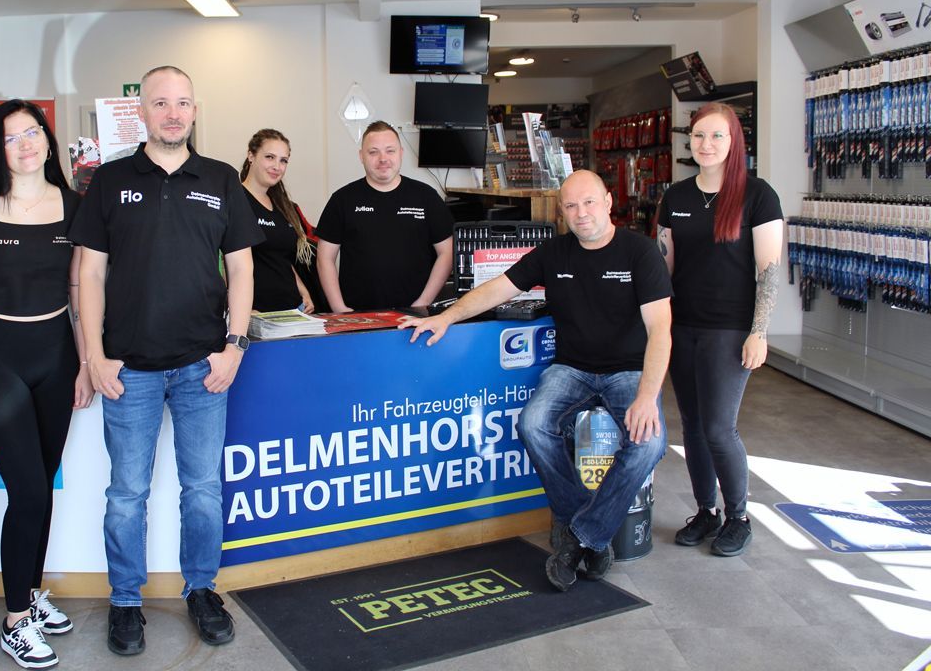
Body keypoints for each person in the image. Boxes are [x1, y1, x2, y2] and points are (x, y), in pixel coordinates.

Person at [68, 66, 262, 655]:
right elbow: (89, 273)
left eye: (182, 103)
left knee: (202, 489)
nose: (173, 113)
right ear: (142, 112)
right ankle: (126, 600)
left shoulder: (222, 179)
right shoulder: (110, 180)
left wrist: (234, 347)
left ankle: (201, 590)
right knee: (126, 493)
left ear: (195, 111)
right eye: (160, 103)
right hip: (128, 369)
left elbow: (242, 269)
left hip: (204, 367)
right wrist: (95, 356)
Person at [401, 170, 671, 592]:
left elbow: (661, 331)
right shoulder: (554, 252)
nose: (581, 213)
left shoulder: (640, 252)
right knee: (532, 424)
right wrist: (446, 317)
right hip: (572, 368)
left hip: (628, 370)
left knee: (650, 443)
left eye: (589, 202)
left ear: (607, 202)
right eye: (571, 206)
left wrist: (647, 396)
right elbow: (497, 289)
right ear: (561, 212)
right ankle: (587, 527)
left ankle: (579, 538)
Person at [0, 100, 92, 668]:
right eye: (10, 137)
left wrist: (84, 361)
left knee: (42, 487)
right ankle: (14, 621)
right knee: (27, 491)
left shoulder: (73, 205)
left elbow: (78, 290)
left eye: (32, 132)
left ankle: (29, 595)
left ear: (48, 139)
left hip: (55, 354)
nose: (25, 144)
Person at [657, 103, 784, 557]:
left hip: (729, 330)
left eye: (717, 136)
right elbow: (664, 269)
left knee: (718, 427)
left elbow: (769, 271)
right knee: (691, 426)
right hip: (683, 327)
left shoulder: (758, 195)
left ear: (734, 142)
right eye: (698, 136)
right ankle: (706, 511)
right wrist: (656, 327)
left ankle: (738, 517)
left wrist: (759, 332)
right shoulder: (675, 197)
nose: (706, 145)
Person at [316, 121, 453, 312]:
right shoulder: (342, 199)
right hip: (357, 315)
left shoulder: (426, 197)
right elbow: (324, 258)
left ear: (401, 153)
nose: (383, 159)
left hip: (414, 315)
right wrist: (339, 308)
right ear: (361, 156)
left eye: (390, 151)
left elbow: (447, 253)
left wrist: (423, 303)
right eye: (373, 152)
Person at [240, 128, 315, 312]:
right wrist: (239, 308)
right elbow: (223, 261)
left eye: (283, 160)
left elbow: (280, 258)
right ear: (251, 156)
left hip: (293, 308)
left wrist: (304, 292)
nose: (277, 166)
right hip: (256, 312)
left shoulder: (283, 206)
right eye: (270, 157)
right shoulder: (235, 200)